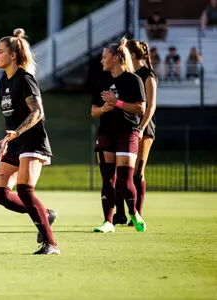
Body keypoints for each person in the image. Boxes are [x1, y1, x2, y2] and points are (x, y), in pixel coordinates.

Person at [0, 28, 59, 255]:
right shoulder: (3, 81)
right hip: (16, 141)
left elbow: (38, 112)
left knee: (25, 191)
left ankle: (51, 245)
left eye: (0, 52)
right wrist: (9, 141)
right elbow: (10, 117)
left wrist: (17, 133)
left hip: (32, 140)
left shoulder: (25, 78)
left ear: (12, 55)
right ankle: (46, 214)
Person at [92, 38, 147, 233]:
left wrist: (117, 102)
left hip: (127, 133)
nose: (102, 60)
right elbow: (93, 111)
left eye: (105, 57)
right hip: (106, 133)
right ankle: (108, 222)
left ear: (116, 58)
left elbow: (141, 108)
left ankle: (134, 213)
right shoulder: (102, 80)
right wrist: (104, 108)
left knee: (124, 180)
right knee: (108, 178)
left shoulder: (134, 80)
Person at [113, 40, 158, 226]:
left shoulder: (148, 75)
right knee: (121, 174)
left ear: (131, 55)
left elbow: (150, 105)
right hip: (126, 126)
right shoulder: (128, 75)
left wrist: (141, 128)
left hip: (143, 128)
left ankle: (137, 214)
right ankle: (120, 214)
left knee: (137, 174)